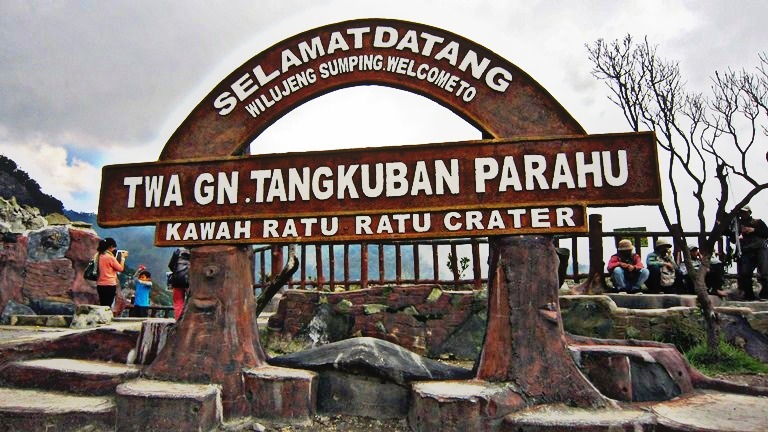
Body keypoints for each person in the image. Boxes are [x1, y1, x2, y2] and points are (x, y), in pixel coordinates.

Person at [732, 206, 768, 300]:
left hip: (760, 249)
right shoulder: (737, 225)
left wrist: (754, 230)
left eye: (745, 212)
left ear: (749, 212)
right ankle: (749, 295)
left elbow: (766, 233)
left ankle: (765, 294)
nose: (743, 214)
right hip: (746, 251)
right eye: (741, 212)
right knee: (745, 273)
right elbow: (732, 238)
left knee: (764, 272)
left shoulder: (758, 222)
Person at [96, 237, 128, 309]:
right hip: (109, 285)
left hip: (100, 284)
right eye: (113, 247)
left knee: (102, 305)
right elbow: (120, 268)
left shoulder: (99, 255)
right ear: (110, 246)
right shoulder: (110, 257)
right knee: (108, 306)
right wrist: (123, 258)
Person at [168, 247, 191, 320]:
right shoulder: (196, 251)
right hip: (191, 280)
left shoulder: (178, 251)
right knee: (191, 301)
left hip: (177, 281)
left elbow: (171, 265)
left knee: (178, 302)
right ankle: (189, 320)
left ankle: (178, 320)